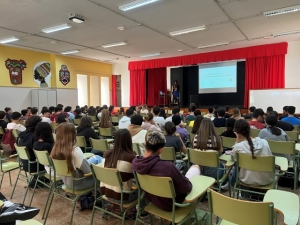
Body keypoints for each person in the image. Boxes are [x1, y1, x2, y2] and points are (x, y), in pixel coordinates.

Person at [132, 131, 194, 212]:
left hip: (153, 200)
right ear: (161, 150)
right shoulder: (168, 167)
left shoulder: (135, 163)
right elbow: (187, 187)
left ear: (145, 144)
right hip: (171, 205)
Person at [50, 123, 102, 190]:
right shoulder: (75, 150)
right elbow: (88, 171)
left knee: (96, 158)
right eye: (75, 131)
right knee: (103, 176)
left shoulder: (55, 148)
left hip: (66, 182)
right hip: (79, 183)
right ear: (72, 134)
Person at [227, 119, 274, 187]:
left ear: (237, 132)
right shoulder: (264, 142)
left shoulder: (238, 147)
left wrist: (237, 141)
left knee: (237, 162)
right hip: (266, 180)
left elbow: (233, 158)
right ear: (249, 129)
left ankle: (231, 184)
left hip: (247, 180)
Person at [100, 129, 137, 203]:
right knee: (144, 190)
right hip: (123, 197)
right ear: (129, 141)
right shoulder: (131, 157)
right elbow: (136, 178)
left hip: (107, 194)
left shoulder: (107, 153)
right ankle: (142, 213)